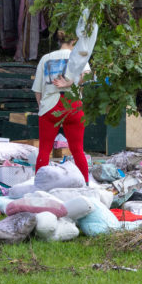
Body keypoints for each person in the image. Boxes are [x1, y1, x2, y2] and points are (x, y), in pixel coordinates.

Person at [32, 31, 92, 182]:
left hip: (50, 106)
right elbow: (87, 77)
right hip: (74, 105)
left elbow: (37, 90)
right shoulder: (79, 57)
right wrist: (73, 81)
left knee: (45, 150)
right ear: (74, 41)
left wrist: (42, 108)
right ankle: (85, 183)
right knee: (78, 149)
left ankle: (39, 184)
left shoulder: (46, 59)